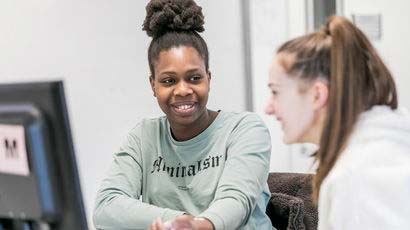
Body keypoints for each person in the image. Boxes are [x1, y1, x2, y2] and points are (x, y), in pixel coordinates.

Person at [93, 0, 273, 229]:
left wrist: (197, 226)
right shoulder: (144, 137)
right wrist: (176, 221)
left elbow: (236, 200)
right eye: (169, 81)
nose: (183, 90)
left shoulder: (245, 129)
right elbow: (106, 207)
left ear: (209, 78)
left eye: (194, 78)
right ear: (153, 85)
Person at [265, 15, 410, 229]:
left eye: (276, 92)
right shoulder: (382, 151)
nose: (268, 108)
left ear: (317, 95)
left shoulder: (358, 177)